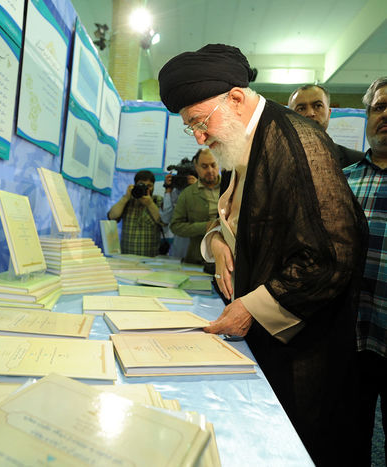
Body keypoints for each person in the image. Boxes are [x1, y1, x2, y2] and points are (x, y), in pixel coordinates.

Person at [157, 43, 367, 465]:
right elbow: (238, 217)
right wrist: (217, 243)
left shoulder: (296, 142)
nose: (199, 137)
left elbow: (332, 255)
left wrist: (251, 307)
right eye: (190, 127)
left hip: (305, 348)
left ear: (236, 98)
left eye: (200, 122)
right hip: (264, 338)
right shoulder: (239, 139)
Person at [343, 76, 387, 465]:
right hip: (351, 338)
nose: (385, 115)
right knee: (349, 439)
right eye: (379, 107)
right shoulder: (343, 179)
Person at [288, 84, 364, 167]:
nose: (310, 113)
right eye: (301, 109)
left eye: (318, 106)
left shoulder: (359, 161)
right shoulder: (278, 160)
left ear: (329, 113)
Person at [169, 148, 220, 265]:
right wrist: (204, 226)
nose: (210, 170)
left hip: (228, 259)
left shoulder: (231, 189)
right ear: (196, 167)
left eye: (213, 165)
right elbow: (175, 226)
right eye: (204, 166)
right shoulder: (187, 194)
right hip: (197, 259)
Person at [107, 170, 163, 257]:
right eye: (142, 185)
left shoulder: (158, 200)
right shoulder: (128, 200)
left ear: (153, 186)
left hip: (150, 258)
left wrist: (150, 204)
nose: (146, 188)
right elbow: (112, 216)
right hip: (126, 258)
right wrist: (126, 198)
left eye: (149, 186)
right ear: (135, 185)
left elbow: (163, 221)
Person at [159, 156, 197, 259]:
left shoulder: (202, 190)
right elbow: (165, 218)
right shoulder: (175, 192)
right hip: (178, 245)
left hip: (196, 243)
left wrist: (197, 187)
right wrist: (168, 190)